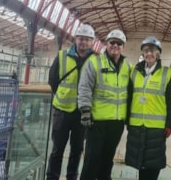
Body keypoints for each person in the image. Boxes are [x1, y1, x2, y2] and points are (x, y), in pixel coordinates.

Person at [77, 29, 131, 180]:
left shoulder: (127, 66)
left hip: (117, 122)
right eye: (112, 42)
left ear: (123, 46)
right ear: (106, 44)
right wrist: (85, 111)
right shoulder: (95, 62)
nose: (115, 45)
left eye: (119, 43)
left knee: (108, 160)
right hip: (97, 121)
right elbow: (84, 87)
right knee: (92, 160)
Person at [46, 24, 95, 180]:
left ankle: (71, 177)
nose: (84, 43)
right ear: (76, 39)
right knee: (57, 150)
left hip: (82, 113)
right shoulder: (62, 56)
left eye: (87, 40)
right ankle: (52, 177)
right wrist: (62, 95)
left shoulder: (96, 60)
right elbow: (53, 80)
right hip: (62, 111)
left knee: (77, 150)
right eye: (81, 39)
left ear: (92, 42)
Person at [125, 36, 171, 180]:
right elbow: (129, 98)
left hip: (156, 127)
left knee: (153, 165)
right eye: (146, 51)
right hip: (136, 125)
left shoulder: (167, 73)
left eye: (152, 51)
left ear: (158, 54)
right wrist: (127, 121)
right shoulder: (134, 72)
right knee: (139, 163)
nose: (149, 54)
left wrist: (170, 124)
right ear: (142, 54)